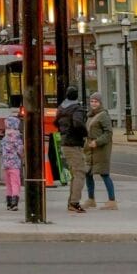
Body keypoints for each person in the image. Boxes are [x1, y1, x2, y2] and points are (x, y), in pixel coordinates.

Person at [55, 86, 88, 214]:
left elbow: (56, 123)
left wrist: (63, 132)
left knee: (75, 173)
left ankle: (72, 201)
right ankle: (74, 202)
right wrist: (85, 133)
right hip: (73, 143)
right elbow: (78, 123)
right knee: (79, 173)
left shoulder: (61, 108)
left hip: (64, 141)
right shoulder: (77, 109)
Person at [83, 91, 116, 209]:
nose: (93, 103)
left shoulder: (103, 115)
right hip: (90, 149)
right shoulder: (90, 115)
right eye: (92, 101)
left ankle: (112, 201)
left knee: (104, 174)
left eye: (96, 101)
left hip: (101, 150)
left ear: (100, 102)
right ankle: (91, 199)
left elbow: (108, 133)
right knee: (88, 173)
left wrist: (97, 142)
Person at [1, 100, 24, 209]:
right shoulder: (16, 137)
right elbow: (20, 149)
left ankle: (9, 202)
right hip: (15, 163)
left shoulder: (5, 137)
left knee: (8, 183)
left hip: (6, 164)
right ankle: (15, 201)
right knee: (16, 183)